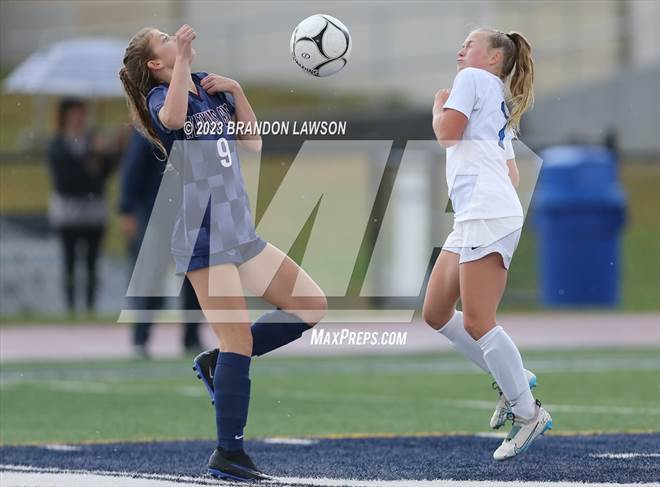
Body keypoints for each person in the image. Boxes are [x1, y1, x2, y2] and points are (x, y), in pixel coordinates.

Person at [119, 24, 327, 480]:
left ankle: (218, 362)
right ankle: (228, 453)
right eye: (164, 39)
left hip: (240, 232)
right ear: (156, 64)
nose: (173, 38)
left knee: (311, 305)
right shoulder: (163, 96)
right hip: (204, 236)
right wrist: (185, 65)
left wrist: (237, 90)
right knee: (239, 341)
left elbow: (252, 143)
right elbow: (173, 120)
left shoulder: (210, 86)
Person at [424, 28, 552, 461]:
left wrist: (438, 107)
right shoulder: (496, 97)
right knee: (436, 312)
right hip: (479, 213)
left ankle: (528, 412)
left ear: (494, 58)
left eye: (470, 44)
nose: (460, 50)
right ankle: (513, 376)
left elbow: (446, 134)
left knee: (479, 320)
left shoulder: (473, 80)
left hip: (485, 213)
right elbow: (512, 175)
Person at [118, 127, 202, 358]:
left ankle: (192, 337)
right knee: (152, 277)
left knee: (196, 277)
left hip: (188, 212)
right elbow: (133, 169)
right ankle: (140, 338)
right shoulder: (151, 124)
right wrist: (127, 208)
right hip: (157, 214)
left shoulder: (195, 125)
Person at [47, 98, 119, 315]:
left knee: (91, 263)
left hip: (93, 212)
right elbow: (64, 181)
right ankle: (70, 307)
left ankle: (89, 307)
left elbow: (104, 175)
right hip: (68, 213)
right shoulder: (58, 145)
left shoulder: (93, 141)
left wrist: (103, 154)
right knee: (69, 262)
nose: (80, 118)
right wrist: (88, 168)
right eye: (75, 113)